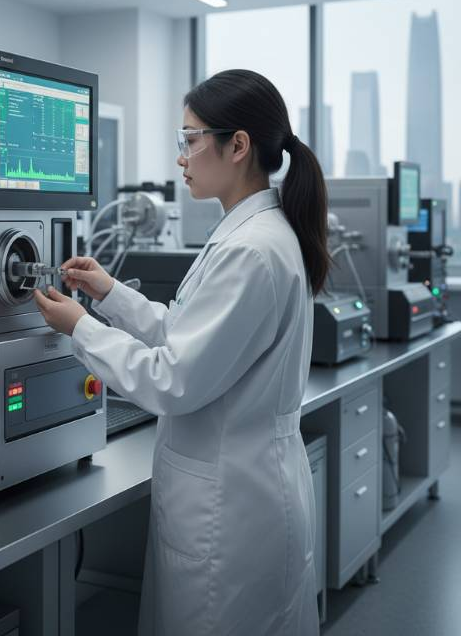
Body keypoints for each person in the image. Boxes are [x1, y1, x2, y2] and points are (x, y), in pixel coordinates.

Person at [33, 69, 329, 635]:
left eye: (190, 140)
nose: (182, 158)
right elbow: (191, 334)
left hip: (229, 507)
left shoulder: (251, 250)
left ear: (237, 145)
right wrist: (111, 295)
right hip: (244, 488)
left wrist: (79, 329)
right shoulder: (252, 236)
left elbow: (173, 381)